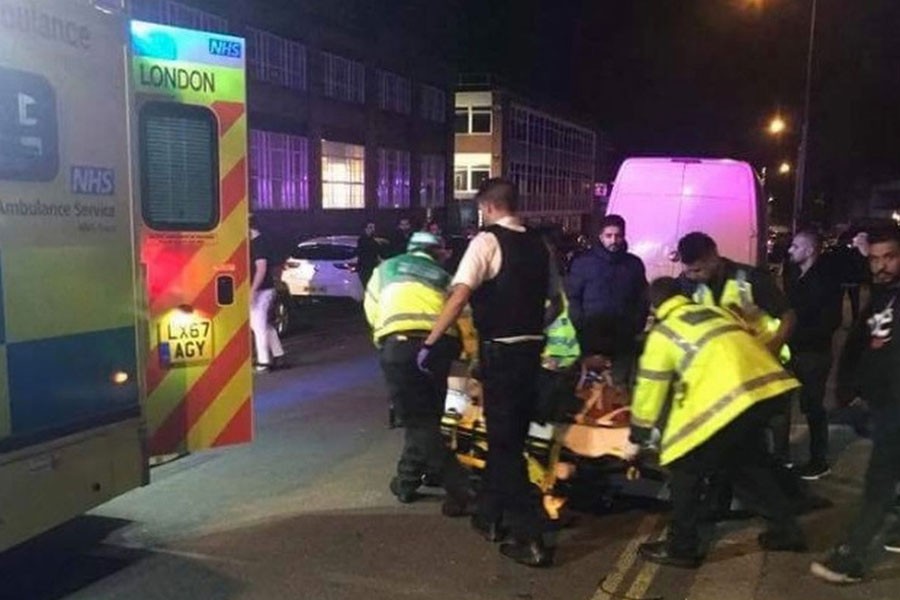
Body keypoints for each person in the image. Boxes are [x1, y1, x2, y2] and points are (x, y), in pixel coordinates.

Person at [421, 177, 561, 568]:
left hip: (501, 352)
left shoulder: (485, 241)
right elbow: (555, 304)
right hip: (531, 352)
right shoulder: (540, 244)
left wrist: (431, 341)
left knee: (504, 445)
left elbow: (460, 294)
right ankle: (489, 517)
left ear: (488, 207)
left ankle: (529, 536)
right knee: (510, 437)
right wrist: (531, 325)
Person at [628, 277, 804, 568]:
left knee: (685, 468)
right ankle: (787, 530)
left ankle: (681, 546)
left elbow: (650, 386)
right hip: (767, 390)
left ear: (654, 306)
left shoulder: (665, 332)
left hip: (732, 401)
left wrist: (638, 432)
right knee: (747, 465)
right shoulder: (716, 312)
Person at [811, 227, 900, 584]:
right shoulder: (881, 296)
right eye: (875, 258)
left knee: (879, 481)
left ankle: (852, 557)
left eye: (890, 257)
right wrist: (848, 386)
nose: (881, 266)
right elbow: (861, 342)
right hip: (883, 404)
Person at [363, 231, 471, 511]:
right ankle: (407, 480)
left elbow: (372, 308)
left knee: (417, 421)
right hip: (438, 348)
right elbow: (463, 314)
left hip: (399, 346)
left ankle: (461, 488)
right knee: (428, 418)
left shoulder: (385, 269)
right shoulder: (443, 276)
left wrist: (382, 337)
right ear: (437, 253)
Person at [677, 231, 796, 464]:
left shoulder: (751, 278)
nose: (693, 276)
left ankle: (782, 473)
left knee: (774, 422)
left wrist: (774, 345)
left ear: (714, 257)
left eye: (698, 270)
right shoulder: (689, 284)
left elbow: (789, 315)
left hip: (766, 364)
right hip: (726, 371)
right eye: (688, 270)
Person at [783, 230, 843, 480]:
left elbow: (830, 321)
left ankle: (819, 461)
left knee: (812, 407)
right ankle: (783, 456)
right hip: (798, 351)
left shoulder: (823, 281)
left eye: (795, 247)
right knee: (787, 404)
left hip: (813, 354)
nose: (790, 251)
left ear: (809, 250)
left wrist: (797, 336)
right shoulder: (799, 276)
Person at [567, 214, 648, 385]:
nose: (614, 240)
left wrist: (635, 326)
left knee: (618, 387)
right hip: (590, 337)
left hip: (623, 339)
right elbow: (573, 297)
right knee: (589, 388)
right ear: (600, 236)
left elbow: (642, 298)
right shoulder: (583, 263)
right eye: (609, 236)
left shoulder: (633, 265)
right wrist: (580, 325)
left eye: (618, 236)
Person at [249, 215, 285, 372]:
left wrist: (252, 290)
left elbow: (261, 269)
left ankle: (264, 362)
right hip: (260, 289)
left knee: (258, 324)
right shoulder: (252, 242)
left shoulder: (259, 244)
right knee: (261, 323)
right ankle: (278, 354)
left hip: (264, 290)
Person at [357, 221, 382, 288]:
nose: (373, 229)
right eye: (370, 227)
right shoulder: (363, 240)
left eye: (373, 227)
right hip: (366, 268)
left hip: (372, 267)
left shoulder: (373, 240)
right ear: (365, 229)